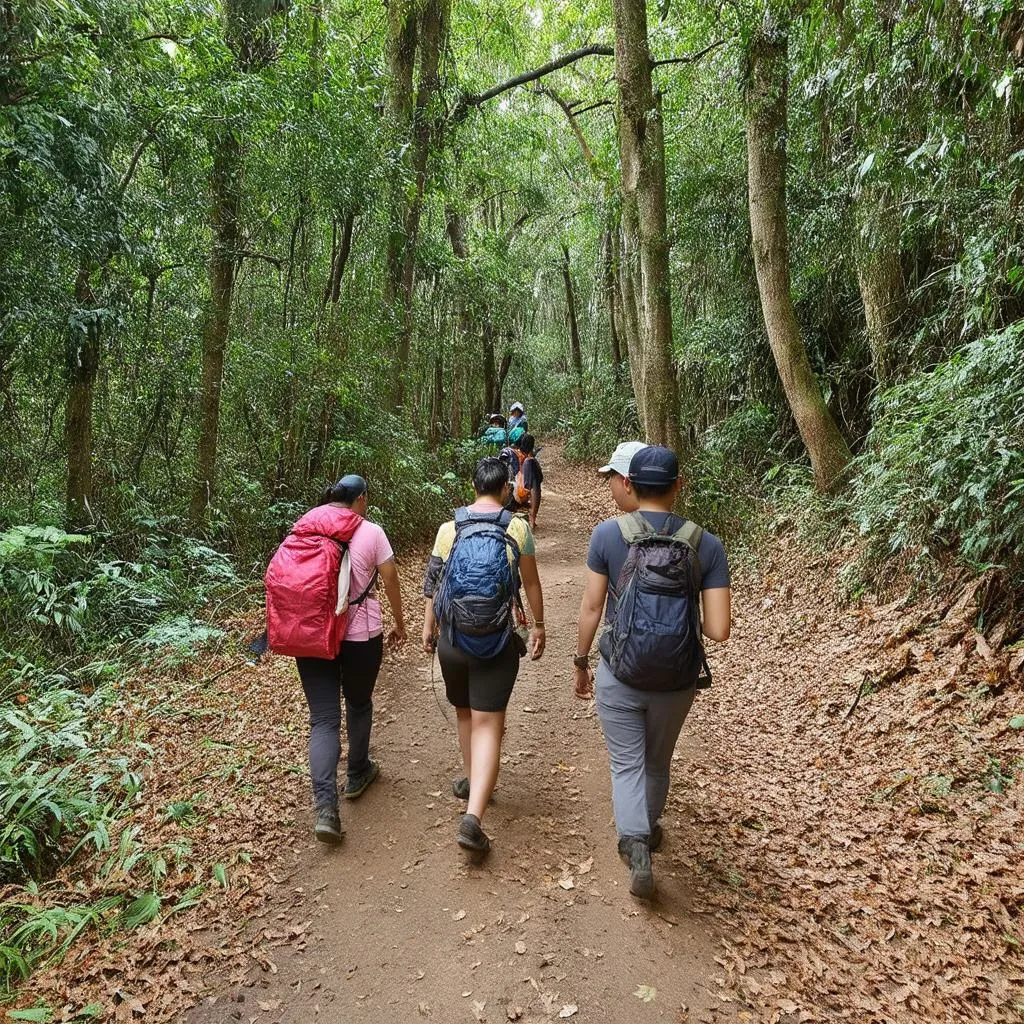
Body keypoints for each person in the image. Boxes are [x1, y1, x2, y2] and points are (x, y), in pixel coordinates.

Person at [573, 446, 731, 899]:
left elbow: (590, 608)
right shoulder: (707, 544)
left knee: (626, 763)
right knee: (657, 761)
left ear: (630, 484)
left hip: (619, 671)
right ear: (678, 486)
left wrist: (581, 661)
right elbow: (718, 629)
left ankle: (635, 842)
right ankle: (647, 827)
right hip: (677, 679)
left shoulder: (606, 535)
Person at [422, 456, 546, 855]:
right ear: (506, 490)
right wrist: (539, 625)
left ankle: (474, 780)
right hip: (496, 639)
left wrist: (429, 628)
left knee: (464, 713)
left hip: (453, 640)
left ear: (472, 487)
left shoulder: (449, 528)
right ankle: (473, 817)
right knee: (489, 725)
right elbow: (530, 582)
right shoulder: (517, 527)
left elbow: (434, 583)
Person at [294, 475, 407, 844]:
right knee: (358, 704)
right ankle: (357, 772)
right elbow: (390, 578)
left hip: (311, 636)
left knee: (324, 721)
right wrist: (399, 622)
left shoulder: (307, 526)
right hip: (360, 637)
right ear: (360, 499)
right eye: (367, 499)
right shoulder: (372, 532)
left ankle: (326, 808)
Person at [508, 432, 543, 530]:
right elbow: (537, 485)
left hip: (511, 496)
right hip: (516, 496)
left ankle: (532, 518)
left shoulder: (518, 457)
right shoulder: (529, 461)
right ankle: (532, 518)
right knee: (534, 485)